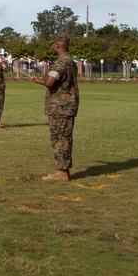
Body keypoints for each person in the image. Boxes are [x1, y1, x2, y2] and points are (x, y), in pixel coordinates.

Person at [33, 35, 79, 181]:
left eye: (52, 45)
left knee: (60, 139)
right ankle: (61, 171)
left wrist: (41, 80)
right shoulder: (70, 61)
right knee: (62, 137)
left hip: (60, 107)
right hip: (66, 106)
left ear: (59, 45)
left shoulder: (61, 62)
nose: (51, 47)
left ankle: (62, 173)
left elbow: (50, 82)